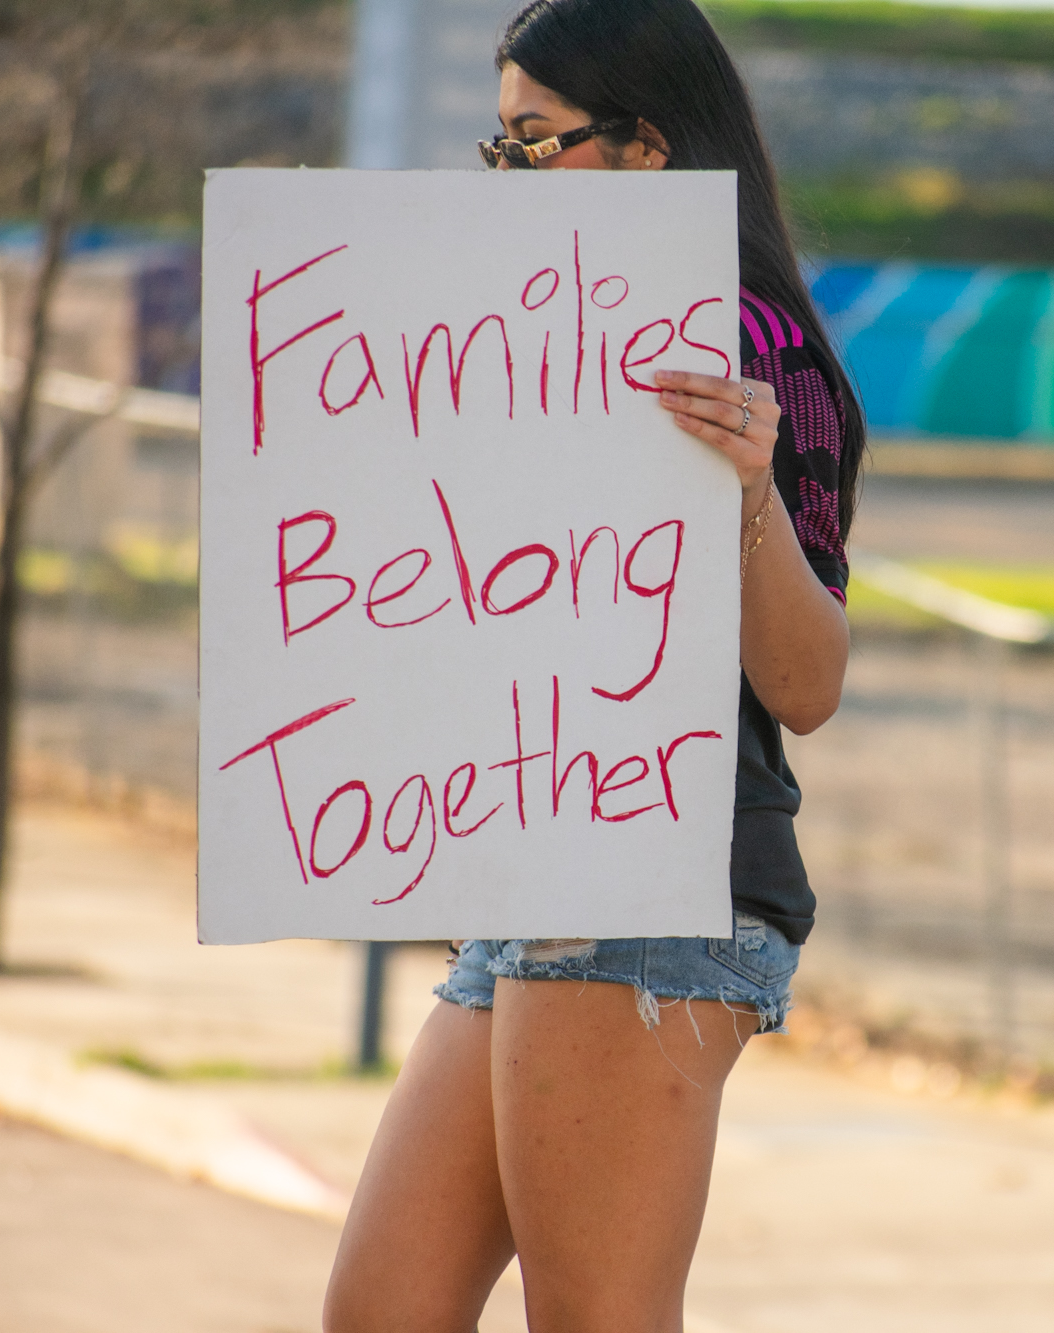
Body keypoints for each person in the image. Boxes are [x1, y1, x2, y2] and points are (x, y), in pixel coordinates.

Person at [321, 1, 867, 1329]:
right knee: (378, 1312)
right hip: (539, 860)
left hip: (656, 874)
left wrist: (740, 487)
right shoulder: (527, 335)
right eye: (493, 146)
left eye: (533, 144)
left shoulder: (755, 349)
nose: (502, 179)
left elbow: (806, 682)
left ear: (645, 151)